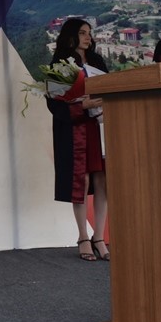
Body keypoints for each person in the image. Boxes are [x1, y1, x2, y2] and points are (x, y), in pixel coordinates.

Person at [46, 18, 110, 262]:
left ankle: (99, 236)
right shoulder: (60, 63)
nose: (88, 38)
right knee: (80, 181)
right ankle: (83, 236)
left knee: (102, 180)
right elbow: (54, 102)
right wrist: (82, 105)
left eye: (89, 33)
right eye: (83, 33)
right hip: (74, 130)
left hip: (99, 127)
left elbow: (110, 86)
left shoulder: (97, 61)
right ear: (70, 35)